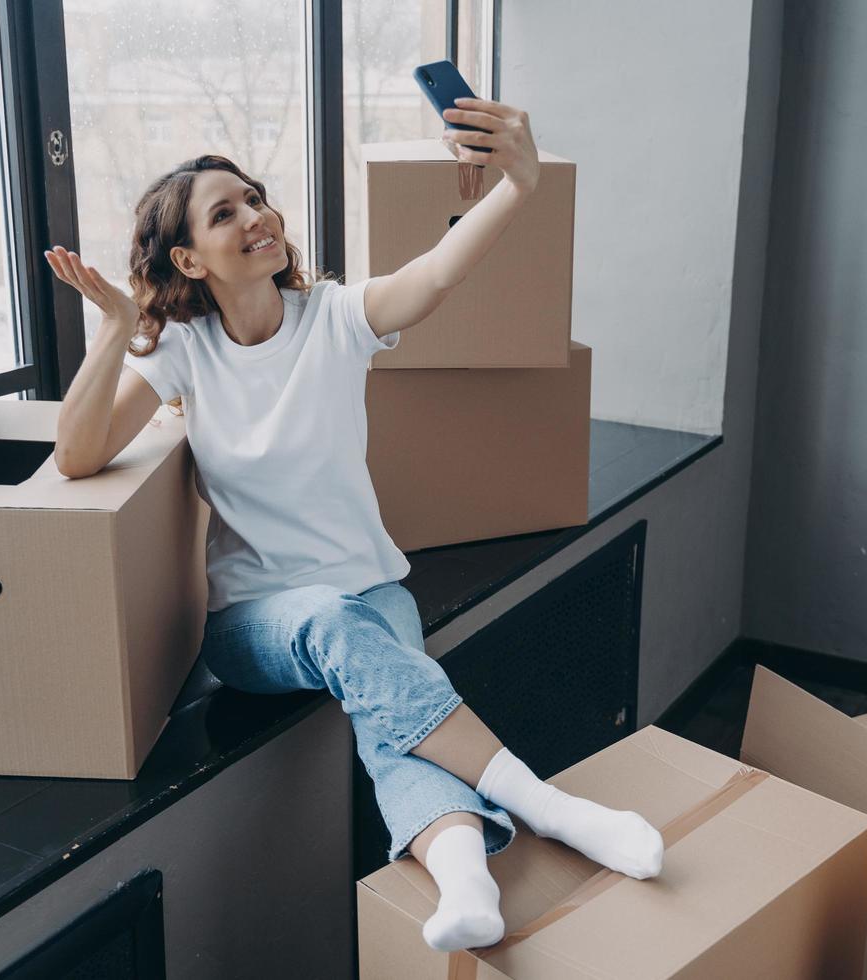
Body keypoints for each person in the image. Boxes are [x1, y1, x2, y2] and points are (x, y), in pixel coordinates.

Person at [44, 97, 662, 953]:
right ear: (189, 257)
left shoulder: (334, 319)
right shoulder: (185, 352)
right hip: (256, 624)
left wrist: (518, 185)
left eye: (255, 197)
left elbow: (439, 272)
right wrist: (117, 325)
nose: (257, 217)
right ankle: (549, 805)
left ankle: (465, 881)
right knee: (343, 634)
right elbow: (77, 455)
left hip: (368, 591)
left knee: (392, 721)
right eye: (226, 213)